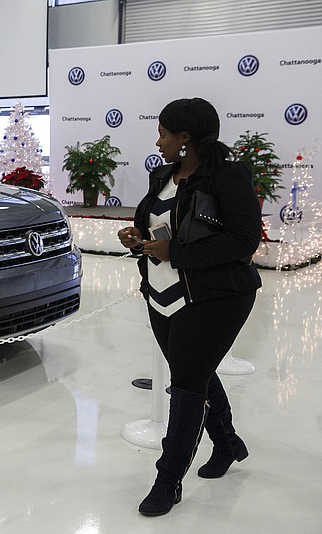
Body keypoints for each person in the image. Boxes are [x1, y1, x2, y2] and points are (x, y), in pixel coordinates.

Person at [117, 97, 263, 516]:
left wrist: (175, 252)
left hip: (216, 296)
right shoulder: (161, 175)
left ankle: (168, 481)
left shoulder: (227, 176)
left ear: (185, 138)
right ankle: (228, 443)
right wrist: (138, 237)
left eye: (163, 132)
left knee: (186, 384)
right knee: (191, 371)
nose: (157, 139)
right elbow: (158, 224)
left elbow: (243, 242)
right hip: (161, 293)